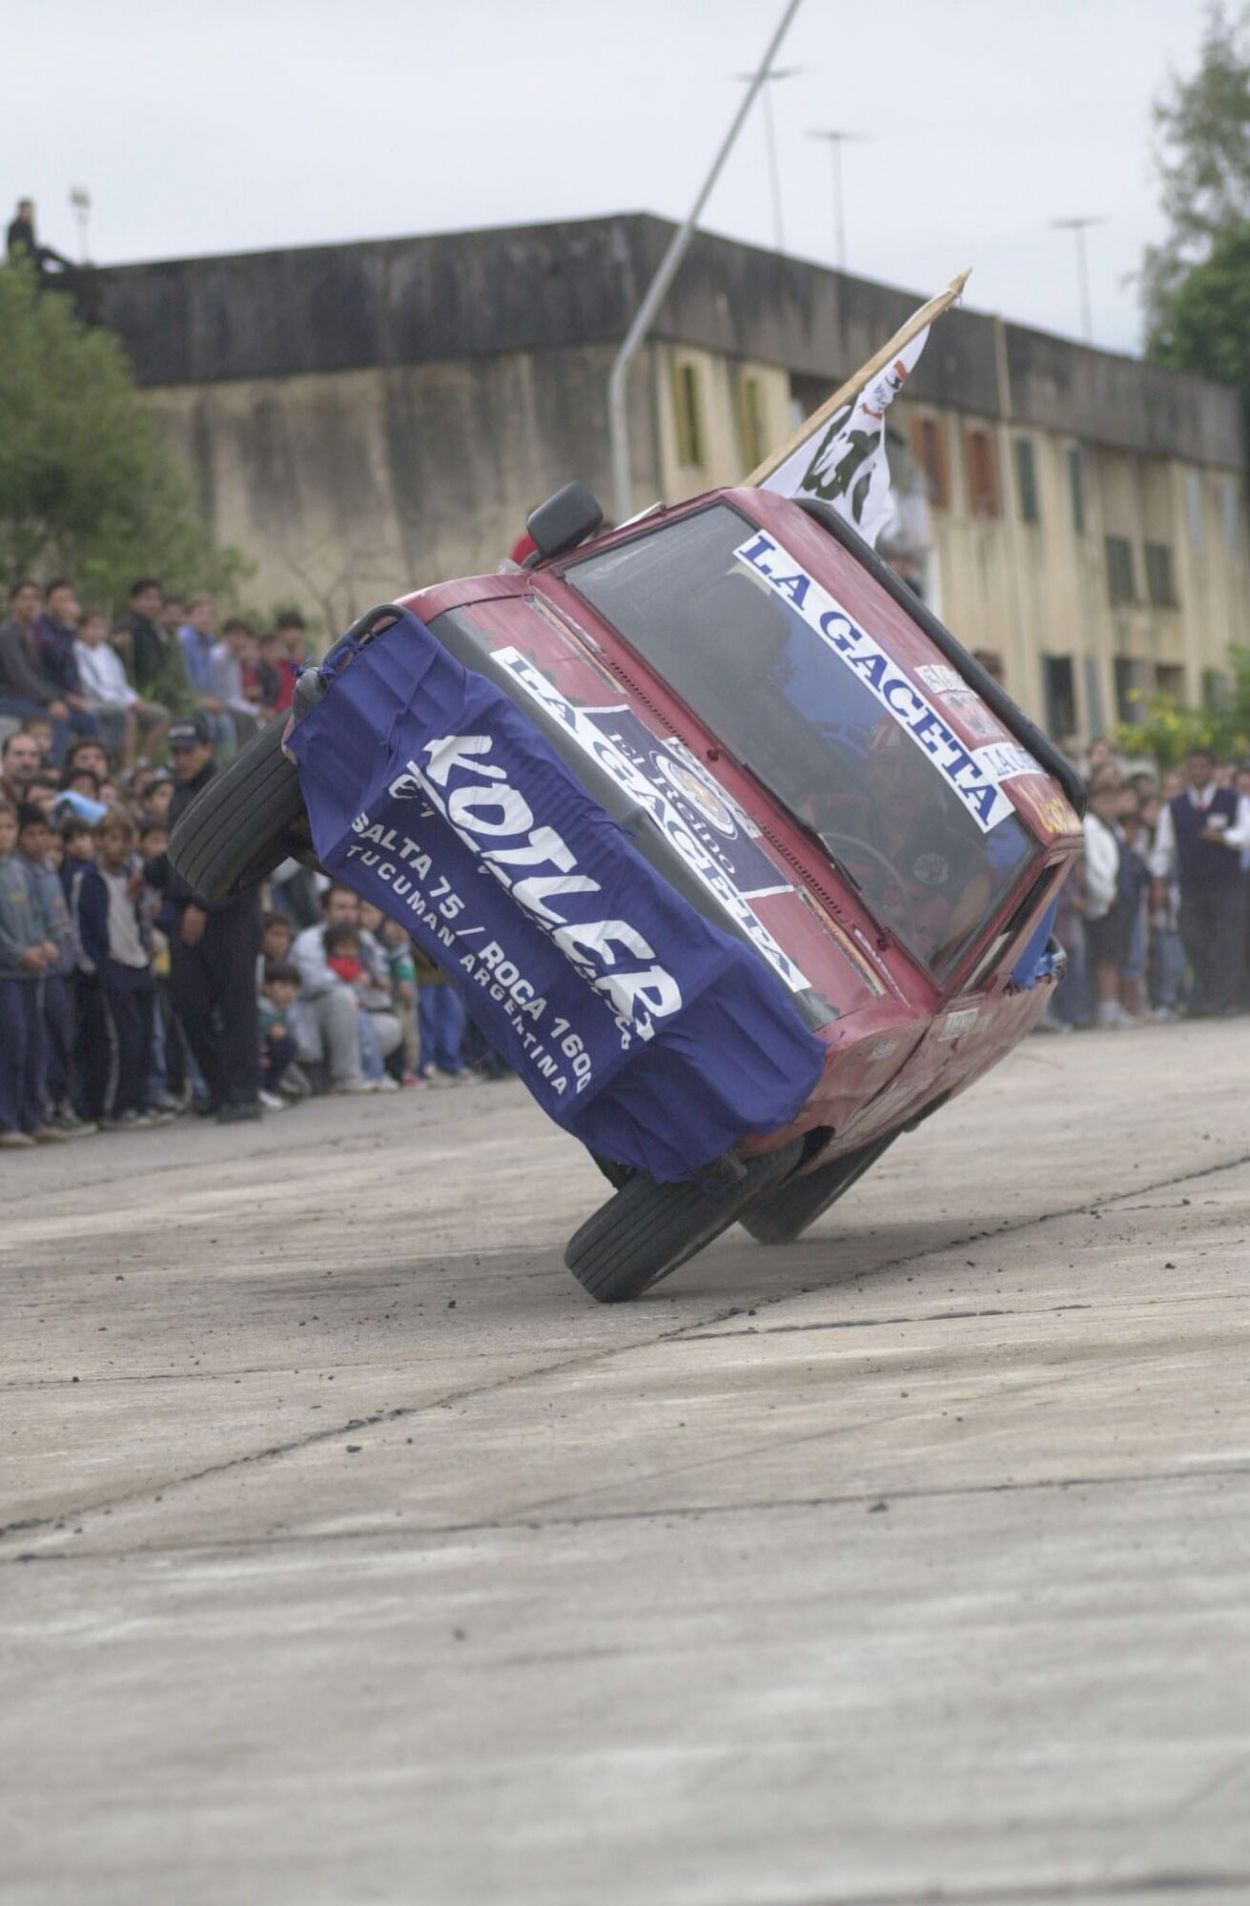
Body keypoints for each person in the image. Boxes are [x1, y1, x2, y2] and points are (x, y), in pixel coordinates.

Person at [148, 714, 262, 1121]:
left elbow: (243, 853)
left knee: (236, 1007)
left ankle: (244, 1094)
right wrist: (148, 875)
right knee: (189, 1006)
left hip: (228, 911)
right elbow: (179, 855)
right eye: (174, 753)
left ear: (207, 749)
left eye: (187, 752)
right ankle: (218, 1089)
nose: (180, 760)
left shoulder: (227, 787)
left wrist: (204, 905)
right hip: (186, 913)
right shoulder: (178, 794)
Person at [73, 809, 167, 1130]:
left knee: (143, 1040)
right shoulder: (87, 879)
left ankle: (139, 1103)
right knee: (119, 1043)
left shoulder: (136, 875)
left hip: (139, 962)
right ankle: (113, 1108)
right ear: (99, 841)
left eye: (126, 840)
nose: (120, 847)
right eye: (113, 839)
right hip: (111, 967)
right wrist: (95, 968)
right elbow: (79, 927)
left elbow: (146, 916)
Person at [1149, 745, 1250, 1018]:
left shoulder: (1233, 800)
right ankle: (1213, 990)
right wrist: (1159, 881)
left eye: (1203, 767)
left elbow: (1246, 834)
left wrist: (1224, 837)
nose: (1198, 772)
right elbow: (1163, 848)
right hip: (1192, 885)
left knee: (1230, 939)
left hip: (1229, 884)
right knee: (1193, 937)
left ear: (1213, 770)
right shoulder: (1175, 806)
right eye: (1193, 767)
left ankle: (1223, 1000)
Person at [16, 803, 92, 1134]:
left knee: (64, 1039)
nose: (40, 842)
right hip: (40, 969)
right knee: (41, 1043)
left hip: (63, 966)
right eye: (30, 834)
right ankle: (45, 1106)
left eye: (44, 834)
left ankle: (61, 1104)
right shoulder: (19, 871)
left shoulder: (48, 868)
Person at [0, 799, 67, 1146]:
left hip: (32, 975)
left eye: (9, 827)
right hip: (6, 975)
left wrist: (45, 943)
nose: (5, 835)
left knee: (34, 1046)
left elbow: (40, 913)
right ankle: (6, 1120)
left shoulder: (20, 870)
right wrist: (17, 953)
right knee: (10, 1046)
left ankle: (32, 1116)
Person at [290, 884, 383, 1093]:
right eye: (340, 907)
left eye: (352, 908)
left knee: (390, 1027)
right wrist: (349, 976)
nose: (348, 914)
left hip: (355, 1013)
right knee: (343, 997)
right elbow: (313, 983)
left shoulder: (365, 939)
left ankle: (369, 1073)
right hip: (313, 1013)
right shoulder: (309, 940)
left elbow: (377, 987)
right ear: (325, 911)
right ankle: (346, 1078)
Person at [0, 580, 98, 758]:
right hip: (9, 697)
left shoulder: (31, 632)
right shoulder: (7, 633)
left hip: (32, 696)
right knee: (56, 717)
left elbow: (50, 671)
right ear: (13, 602)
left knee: (87, 719)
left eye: (34, 599)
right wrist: (51, 701)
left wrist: (63, 696)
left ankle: (91, 768)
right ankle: (53, 769)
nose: (30, 604)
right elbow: (21, 677)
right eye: (24, 599)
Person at [74, 608, 169, 765]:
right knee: (129, 718)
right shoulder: (78, 651)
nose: (98, 632)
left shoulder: (107, 652)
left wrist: (132, 699)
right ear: (81, 630)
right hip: (95, 701)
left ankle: (143, 761)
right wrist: (124, 702)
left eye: (101, 628)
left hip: (119, 699)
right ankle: (126, 767)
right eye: (94, 627)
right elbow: (91, 686)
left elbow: (120, 682)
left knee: (161, 715)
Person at [1083, 775, 1130, 1029]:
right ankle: (1106, 1007)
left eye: (1113, 801)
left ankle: (1114, 1004)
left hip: (1118, 899)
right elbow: (1095, 867)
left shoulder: (1112, 826)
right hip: (1104, 902)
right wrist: (1106, 893)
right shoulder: (1090, 825)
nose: (1109, 805)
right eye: (1104, 800)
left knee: (1116, 955)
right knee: (1106, 958)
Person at [112, 579, 183, 703]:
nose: (153, 604)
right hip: (137, 695)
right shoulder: (127, 626)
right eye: (148, 599)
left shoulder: (153, 628)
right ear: (134, 601)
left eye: (157, 599)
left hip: (159, 692)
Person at [258, 960, 305, 1104]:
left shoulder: (282, 1011)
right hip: (258, 1056)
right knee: (288, 1044)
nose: (289, 992)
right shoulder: (261, 1010)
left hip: (269, 1055)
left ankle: (274, 1086)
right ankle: (265, 1089)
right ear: (267, 988)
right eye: (283, 986)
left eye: (293, 988)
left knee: (303, 1088)